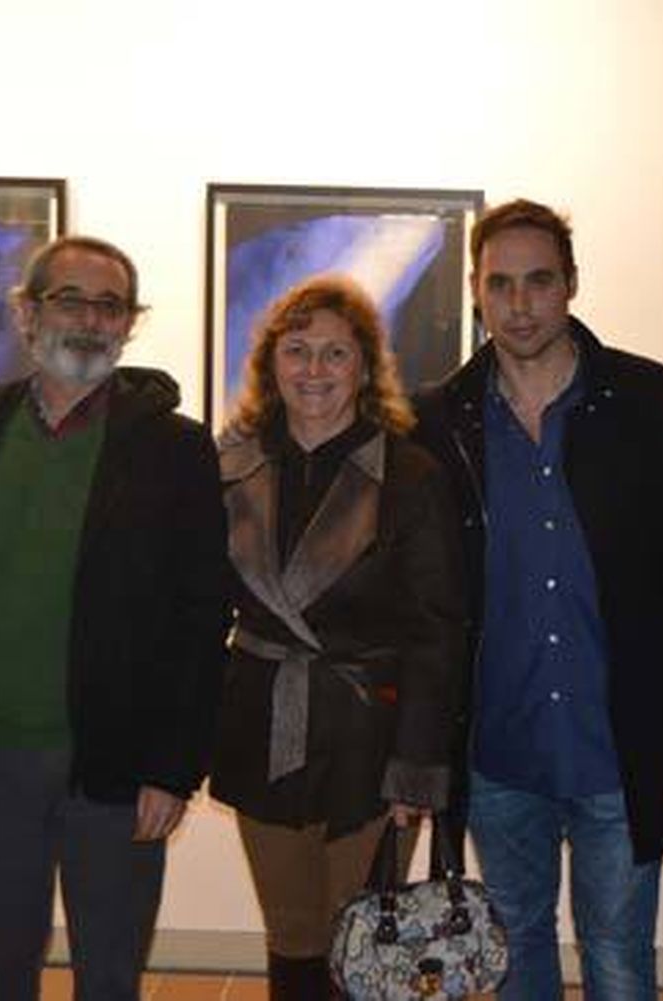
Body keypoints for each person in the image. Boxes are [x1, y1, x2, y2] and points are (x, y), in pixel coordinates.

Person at [0, 235, 230, 1001]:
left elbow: (200, 613)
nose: (89, 320)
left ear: (129, 323)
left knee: (110, 975)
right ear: (27, 313)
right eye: (69, 299)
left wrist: (173, 767)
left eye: (109, 305)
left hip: (116, 765)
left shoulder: (173, 451)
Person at [412, 198, 663, 1000]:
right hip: (499, 745)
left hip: (618, 741)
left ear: (571, 284)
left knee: (617, 959)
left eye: (539, 281)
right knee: (514, 955)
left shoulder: (652, 401)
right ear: (476, 291)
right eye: (500, 283)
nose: (520, 303)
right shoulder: (438, 420)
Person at [209, 275, 465, 999]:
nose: (314, 370)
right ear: (270, 363)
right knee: (291, 940)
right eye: (297, 351)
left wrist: (418, 764)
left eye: (335, 353)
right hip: (264, 728)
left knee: (362, 945)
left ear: (365, 365)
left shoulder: (410, 474)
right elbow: (197, 610)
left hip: (371, 739)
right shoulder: (230, 468)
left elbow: (436, 630)